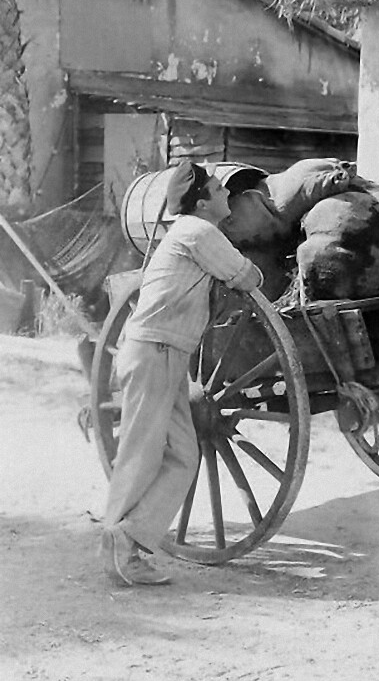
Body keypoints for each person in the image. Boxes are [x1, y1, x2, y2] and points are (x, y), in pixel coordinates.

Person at [100, 161, 263, 586]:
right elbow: (247, 276)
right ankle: (118, 547)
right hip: (154, 351)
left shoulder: (193, 232)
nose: (228, 194)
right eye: (219, 190)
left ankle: (128, 537)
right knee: (140, 453)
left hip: (167, 354)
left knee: (185, 456)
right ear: (202, 203)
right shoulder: (198, 232)